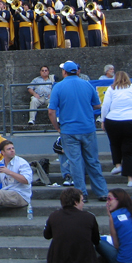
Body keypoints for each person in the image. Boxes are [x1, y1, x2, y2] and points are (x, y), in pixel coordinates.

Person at [48, 60, 109, 202]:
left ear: (64, 72)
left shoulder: (59, 87)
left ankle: (81, 194)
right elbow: (97, 105)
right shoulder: (87, 85)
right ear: (77, 71)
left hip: (69, 130)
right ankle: (102, 192)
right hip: (88, 128)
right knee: (93, 160)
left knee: (75, 162)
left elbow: (51, 111)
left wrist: (57, 127)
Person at [101, 71, 132, 187]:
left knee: (115, 144)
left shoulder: (111, 89)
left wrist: (103, 120)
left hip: (113, 120)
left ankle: (118, 165)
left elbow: (105, 106)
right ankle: (130, 179)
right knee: (131, 151)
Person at [43, 188, 100, 263]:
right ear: (76, 202)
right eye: (82, 201)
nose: (83, 203)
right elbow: (96, 240)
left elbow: (47, 235)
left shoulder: (54, 216)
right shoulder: (89, 217)